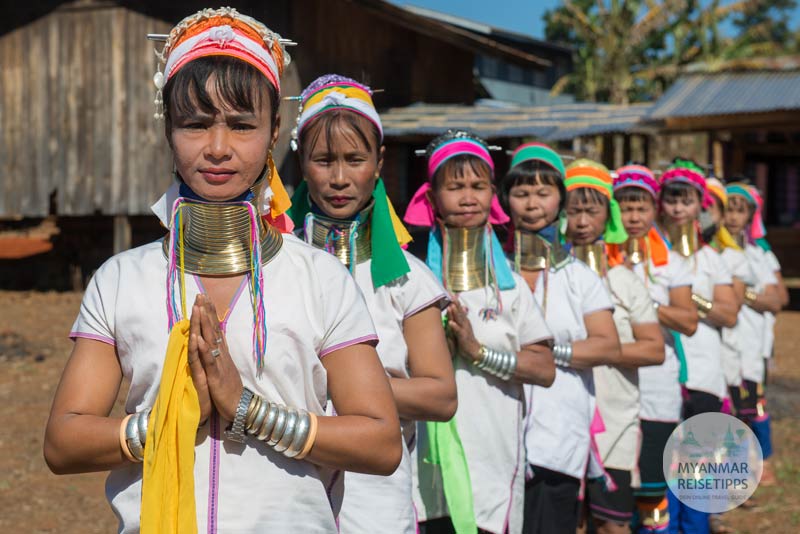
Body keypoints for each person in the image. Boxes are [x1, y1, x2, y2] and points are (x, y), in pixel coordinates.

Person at [43, 8, 401, 533]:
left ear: (274, 131)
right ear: (168, 129)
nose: (217, 148)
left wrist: (248, 411)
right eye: (194, 124)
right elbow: (63, 442)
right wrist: (172, 419)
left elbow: (381, 442)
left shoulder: (321, 280)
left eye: (241, 125)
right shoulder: (121, 280)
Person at [288, 74, 457, 533]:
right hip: (289, 485)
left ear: (379, 163)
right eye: (324, 160)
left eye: (355, 159)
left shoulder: (408, 280)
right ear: (302, 163)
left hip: (377, 494)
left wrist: (352, 388)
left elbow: (442, 396)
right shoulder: (275, 266)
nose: (340, 178)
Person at [405, 131, 555, 534]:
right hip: (422, 462)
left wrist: (478, 351)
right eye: (455, 187)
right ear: (431, 197)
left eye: (478, 186)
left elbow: (544, 369)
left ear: (493, 193)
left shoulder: (511, 288)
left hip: (493, 456)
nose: (468, 198)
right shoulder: (410, 279)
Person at [499, 145, 622, 534]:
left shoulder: (579, 277)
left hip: (559, 434)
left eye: (543, 193)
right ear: (505, 199)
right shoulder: (492, 269)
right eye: (521, 193)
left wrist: (546, 354)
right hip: (496, 433)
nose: (532, 204)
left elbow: (607, 345)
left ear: (560, 200)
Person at [564, 161, 665, 534]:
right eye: (573, 211)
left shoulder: (624, 281)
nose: (582, 221)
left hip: (615, 422)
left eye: (592, 211)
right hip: (560, 421)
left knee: (612, 525)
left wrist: (599, 349)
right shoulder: (545, 277)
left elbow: (654, 350)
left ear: (609, 217)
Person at [610, 166, 698, 534]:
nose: (633, 217)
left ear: (654, 209)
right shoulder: (599, 260)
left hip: (657, 386)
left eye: (641, 208)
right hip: (611, 386)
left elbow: (688, 321)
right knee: (611, 494)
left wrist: (642, 302)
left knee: (652, 490)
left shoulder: (671, 263)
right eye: (625, 208)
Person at [657, 160, 739, 534]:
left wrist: (688, 298)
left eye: (686, 201)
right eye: (671, 200)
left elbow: (729, 313)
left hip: (703, 374)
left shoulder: (711, 260)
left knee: (696, 469)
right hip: (660, 373)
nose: (678, 208)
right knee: (660, 465)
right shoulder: (652, 256)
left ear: (699, 205)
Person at [724, 182, 782, 487]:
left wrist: (741, 293)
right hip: (724, 343)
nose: (733, 217)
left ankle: (762, 462)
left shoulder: (758, 254)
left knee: (753, 404)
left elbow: (776, 299)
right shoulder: (714, 252)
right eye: (728, 210)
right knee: (729, 407)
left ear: (750, 215)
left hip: (751, 343)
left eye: (740, 210)